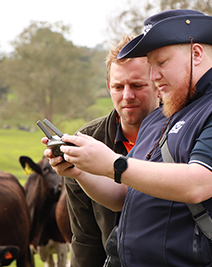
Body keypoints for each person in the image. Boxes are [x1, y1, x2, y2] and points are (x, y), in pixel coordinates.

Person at [44, 9, 212, 267]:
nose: (153, 77)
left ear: (196, 54)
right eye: (151, 66)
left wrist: (113, 164)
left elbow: (198, 184)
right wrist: (81, 171)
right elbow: (124, 195)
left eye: (161, 63)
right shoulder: (160, 116)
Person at [63, 34, 159, 266]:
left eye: (137, 85)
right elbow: (85, 237)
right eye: (118, 86)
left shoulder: (184, 132)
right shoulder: (86, 142)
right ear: (108, 87)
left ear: (158, 82)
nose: (127, 96)